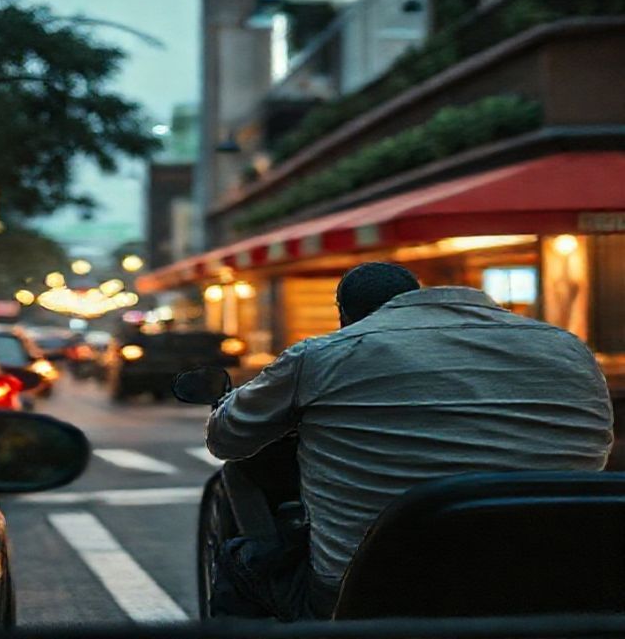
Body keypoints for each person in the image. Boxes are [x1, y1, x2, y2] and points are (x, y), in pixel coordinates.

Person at [206, 262, 613, 620]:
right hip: (554, 584)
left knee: (241, 565)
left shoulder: (326, 355)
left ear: (345, 317)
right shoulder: (568, 349)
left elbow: (226, 439)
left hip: (366, 596)